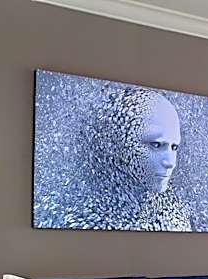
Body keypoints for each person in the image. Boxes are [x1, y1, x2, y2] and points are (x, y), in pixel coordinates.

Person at [67, 86, 192, 231]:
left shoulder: (175, 215)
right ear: (118, 142)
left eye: (174, 147)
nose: (170, 163)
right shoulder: (84, 221)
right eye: (156, 145)